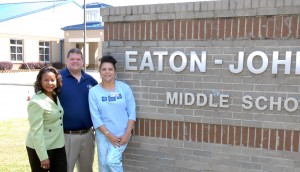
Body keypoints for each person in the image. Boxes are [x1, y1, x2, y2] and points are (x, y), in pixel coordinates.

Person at [89, 55, 136, 172]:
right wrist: (108, 135)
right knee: (104, 165)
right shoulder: (94, 92)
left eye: (110, 69)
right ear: (100, 72)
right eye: (104, 69)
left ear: (115, 72)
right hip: (103, 135)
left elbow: (132, 112)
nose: (107, 72)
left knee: (112, 161)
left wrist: (127, 134)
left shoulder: (124, 88)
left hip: (121, 134)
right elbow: (95, 117)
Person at [59, 48, 98, 172]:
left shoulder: (91, 80)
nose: (75, 62)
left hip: (87, 135)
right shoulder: (58, 79)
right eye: (72, 59)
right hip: (66, 136)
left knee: (87, 169)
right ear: (67, 60)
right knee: (66, 168)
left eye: (78, 59)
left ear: (82, 61)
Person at [26, 66, 67, 172]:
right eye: (46, 80)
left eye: (52, 80)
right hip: (41, 148)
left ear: (57, 81)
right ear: (40, 81)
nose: (50, 83)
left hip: (58, 144)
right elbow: (36, 131)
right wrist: (43, 156)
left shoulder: (54, 95)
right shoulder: (36, 102)